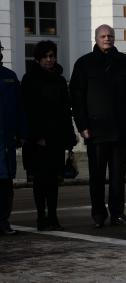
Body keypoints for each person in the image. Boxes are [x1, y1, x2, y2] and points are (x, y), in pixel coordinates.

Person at [70, 24, 126, 228]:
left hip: (120, 129)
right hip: (95, 130)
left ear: (114, 38)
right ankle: (99, 215)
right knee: (97, 177)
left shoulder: (125, 61)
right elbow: (77, 97)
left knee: (118, 177)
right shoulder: (84, 63)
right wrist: (82, 125)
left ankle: (117, 213)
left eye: (110, 36)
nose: (107, 38)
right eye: (103, 36)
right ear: (96, 38)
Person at [21, 40, 76, 231]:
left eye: (52, 56)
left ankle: (53, 216)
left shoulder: (60, 80)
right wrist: (36, 136)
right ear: (38, 59)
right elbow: (28, 110)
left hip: (56, 138)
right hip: (38, 140)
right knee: (40, 181)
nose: (49, 59)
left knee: (54, 180)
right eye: (45, 56)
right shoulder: (29, 79)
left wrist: (70, 138)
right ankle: (41, 217)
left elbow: (65, 111)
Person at [0, 41, 26, 235]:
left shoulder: (10, 77)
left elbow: (20, 109)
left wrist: (22, 133)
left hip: (7, 140)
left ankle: (3, 221)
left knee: (6, 185)